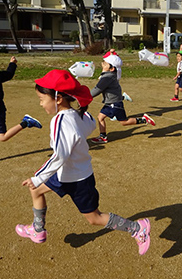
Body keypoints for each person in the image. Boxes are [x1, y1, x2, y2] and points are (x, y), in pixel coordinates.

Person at [15, 70, 151, 255]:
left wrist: (38, 177)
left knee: (94, 218)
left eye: (41, 99)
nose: (40, 104)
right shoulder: (78, 115)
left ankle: (137, 228)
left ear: (58, 98)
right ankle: (38, 230)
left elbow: (59, 156)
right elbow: (91, 124)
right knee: (36, 191)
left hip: (78, 179)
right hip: (66, 174)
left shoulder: (60, 121)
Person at [90, 60, 156, 144]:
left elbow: (97, 89)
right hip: (110, 103)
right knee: (100, 117)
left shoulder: (107, 77)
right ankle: (103, 137)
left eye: (107, 63)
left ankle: (144, 119)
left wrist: (86, 96)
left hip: (114, 104)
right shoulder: (108, 76)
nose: (104, 62)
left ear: (112, 68)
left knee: (124, 122)